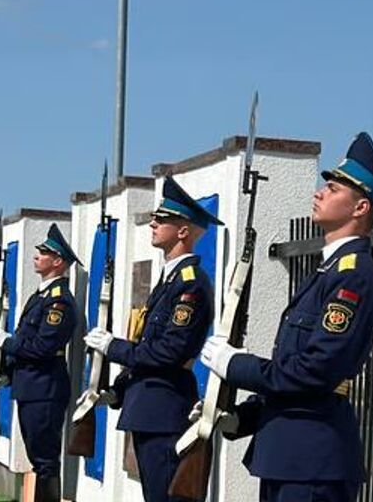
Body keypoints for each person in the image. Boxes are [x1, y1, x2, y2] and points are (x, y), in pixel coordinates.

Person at [199, 132, 373, 502]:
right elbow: (290, 367)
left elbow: (315, 371)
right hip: (287, 453)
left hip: (314, 460)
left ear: (360, 208)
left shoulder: (354, 275)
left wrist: (237, 365)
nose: (319, 193)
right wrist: (243, 417)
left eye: (332, 189)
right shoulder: (328, 271)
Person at [83, 177, 216, 502]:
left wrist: (113, 347)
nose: (154, 224)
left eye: (164, 219)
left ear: (183, 231)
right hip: (148, 406)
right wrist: (117, 392)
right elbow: (149, 349)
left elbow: (168, 351)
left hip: (165, 408)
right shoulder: (169, 281)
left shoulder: (191, 284)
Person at [0, 224, 79, 502]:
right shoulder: (40, 296)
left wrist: (6, 342)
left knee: (45, 459)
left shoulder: (59, 302)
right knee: (36, 454)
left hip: (45, 386)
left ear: (58, 262)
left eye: (44, 253)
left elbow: (42, 347)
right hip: (30, 384)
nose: (37, 256)